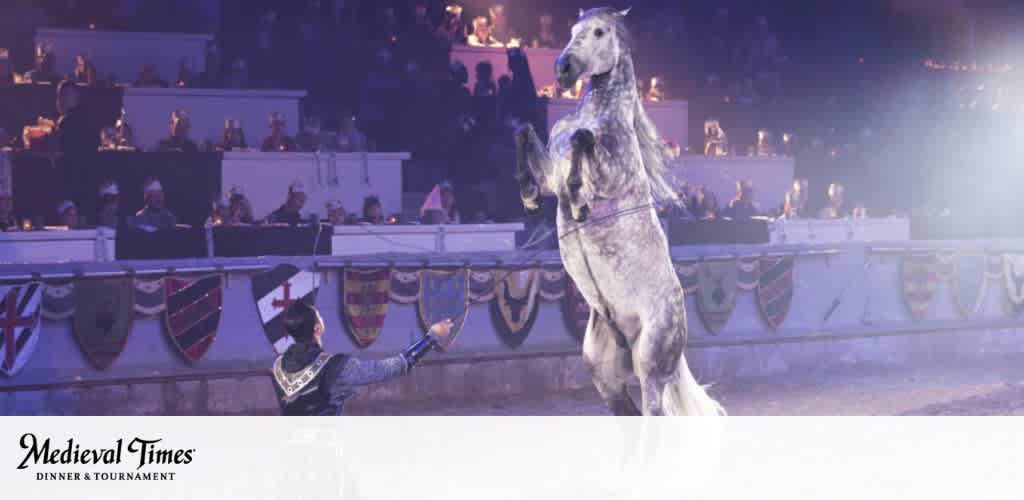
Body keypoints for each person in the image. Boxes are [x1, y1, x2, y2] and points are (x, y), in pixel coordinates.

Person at [271, 301, 453, 415]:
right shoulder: (335, 367)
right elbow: (397, 366)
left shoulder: (277, 366)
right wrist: (431, 337)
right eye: (319, 316)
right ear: (317, 329)